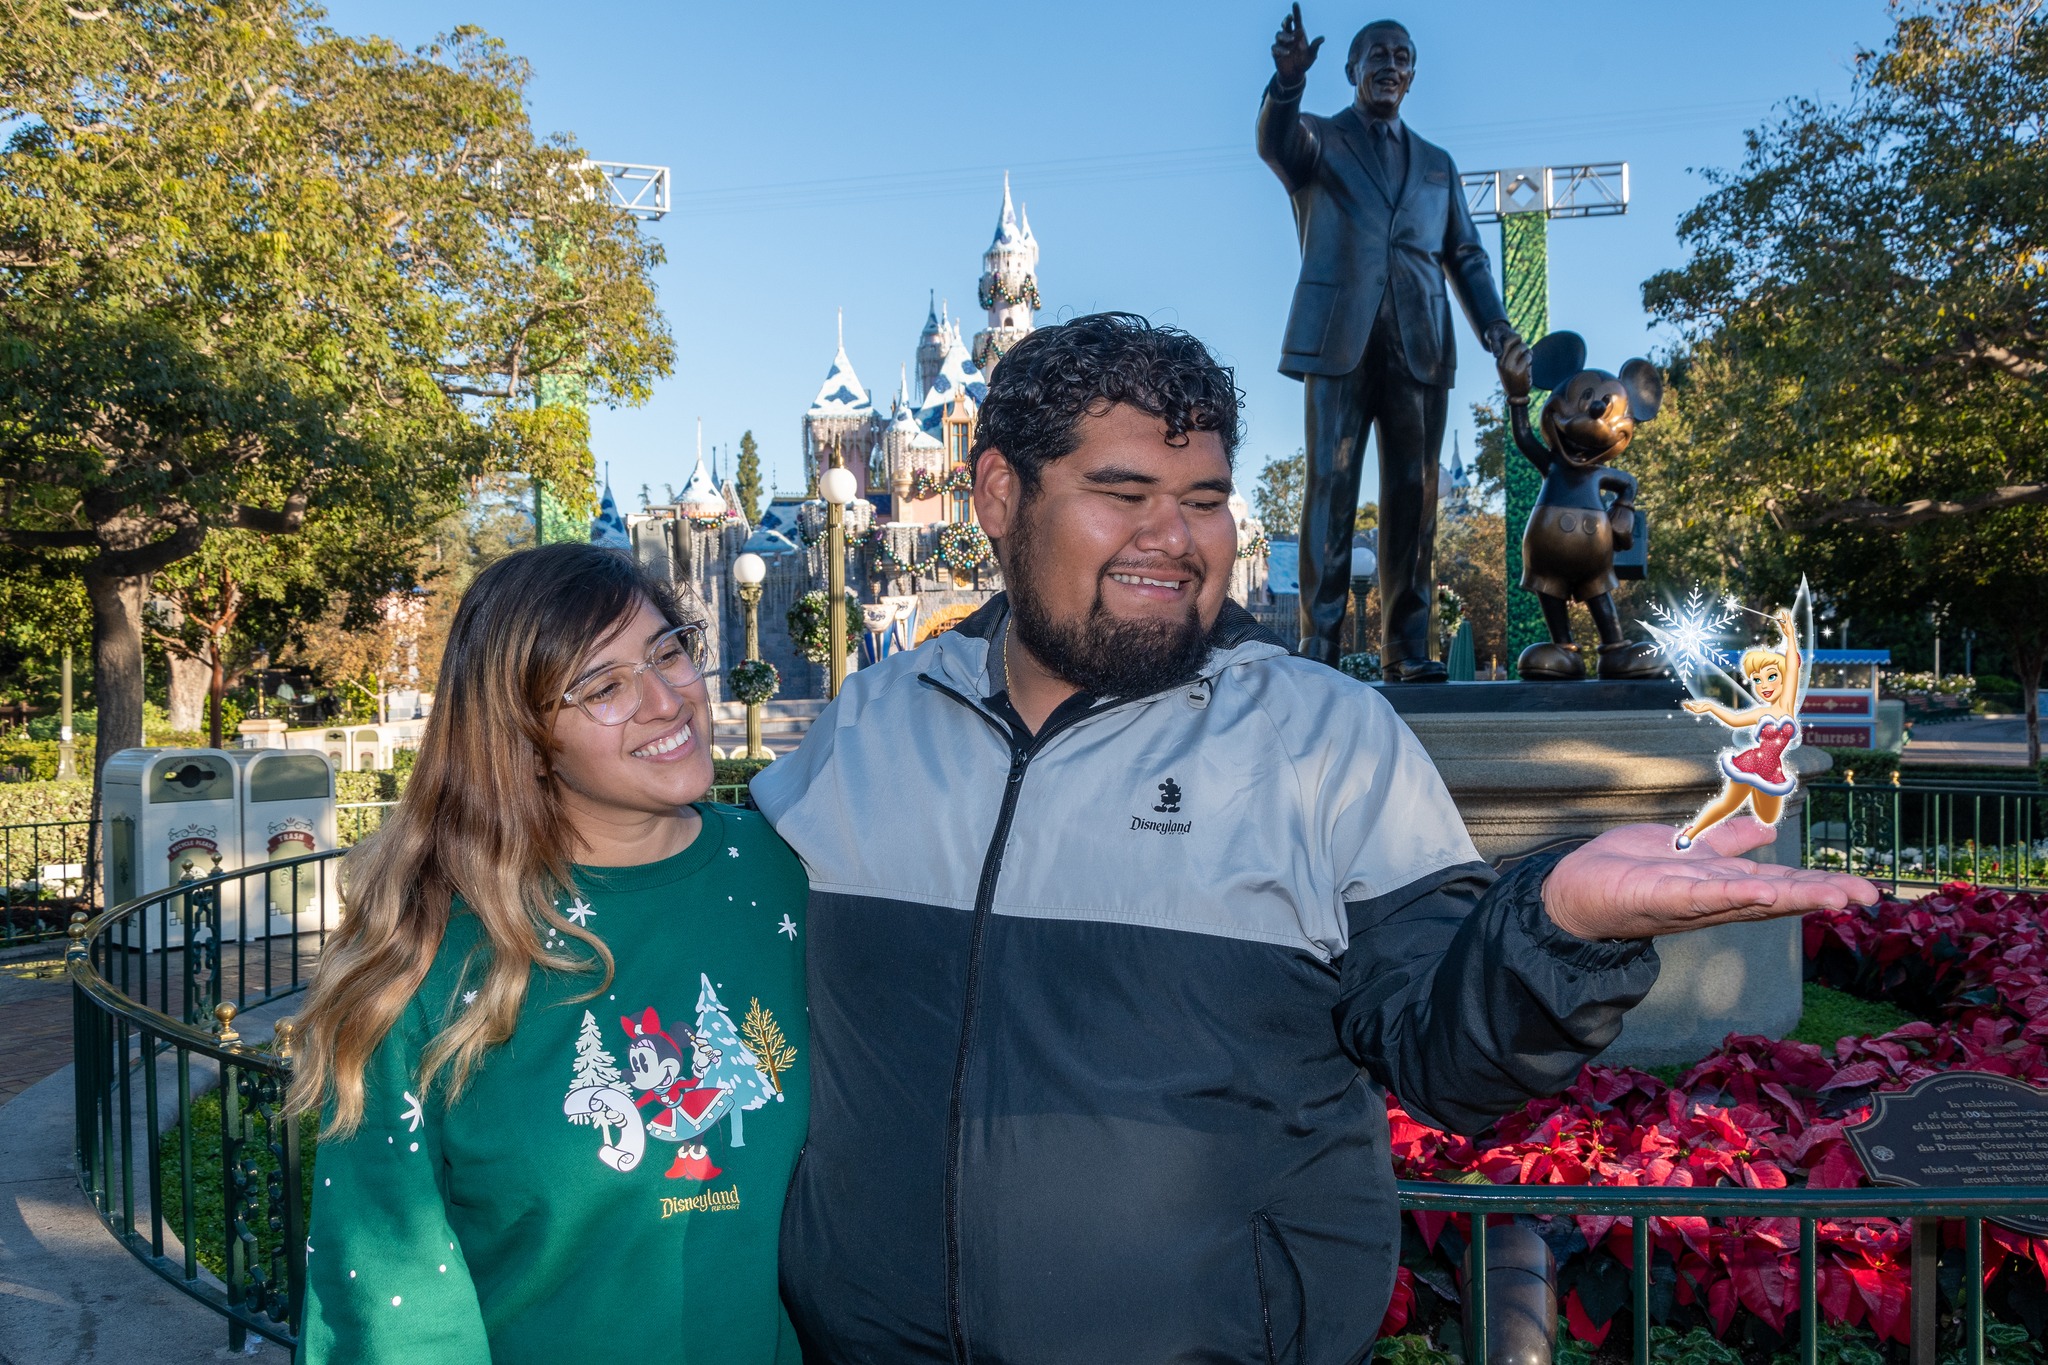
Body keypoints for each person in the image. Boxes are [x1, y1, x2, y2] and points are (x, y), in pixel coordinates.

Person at [752, 313, 1875, 1364]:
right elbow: (706, 923)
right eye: (1122, 491)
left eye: (1204, 498)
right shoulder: (872, 724)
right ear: (999, 494)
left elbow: (1444, 1056)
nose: (1173, 537)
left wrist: (1553, 931)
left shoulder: (1323, 739)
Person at [290, 544, 807, 1364]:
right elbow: (392, 1301)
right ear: (526, 742)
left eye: (668, 651)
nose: (665, 700)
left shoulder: (790, 876)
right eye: (603, 688)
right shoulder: (429, 952)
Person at [1256, 7, 1530, 678]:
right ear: (1352, 69)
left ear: (1412, 75)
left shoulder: (1437, 164)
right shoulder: (1319, 139)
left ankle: (1407, 647)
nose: (1390, 65)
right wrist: (1287, 82)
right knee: (1330, 486)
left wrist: (1496, 328)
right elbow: (1275, 143)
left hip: (1422, 343)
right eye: (1377, 55)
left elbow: (1466, 256)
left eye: (1401, 57)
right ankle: (1319, 645)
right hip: (1338, 338)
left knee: (1416, 494)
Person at [1677, 608, 1806, 848]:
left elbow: (1792, 666)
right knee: (1728, 804)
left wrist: (1789, 635)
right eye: (1757, 680)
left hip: (1771, 771)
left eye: (1771, 677)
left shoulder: (1786, 706)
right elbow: (1734, 720)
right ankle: (1691, 833)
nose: (1763, 685)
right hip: (1751, 762)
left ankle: (1755, 791)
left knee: (1768, 817)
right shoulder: (1760, 713)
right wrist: (1710, 707)